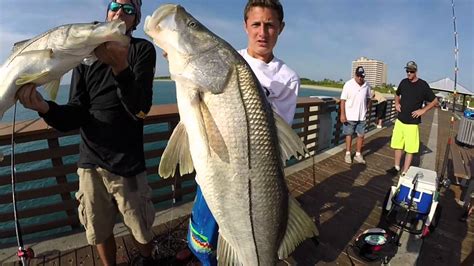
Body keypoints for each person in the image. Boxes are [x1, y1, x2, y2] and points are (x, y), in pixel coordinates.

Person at [16, 1, 158, 265]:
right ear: (106, 12)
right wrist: (44, 107)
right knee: (99, 230)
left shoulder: (141, 50)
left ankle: (147, 259)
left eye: (129, 9)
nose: (119, 12)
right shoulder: (84, 57)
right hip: (90, 163)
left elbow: (140, 109)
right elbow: (77, 111)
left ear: (135, 20)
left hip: (129, 164)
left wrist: (120, 67)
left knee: (141, 228)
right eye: (115, 5)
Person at [178, 1, 299, 265]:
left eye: (270, 25)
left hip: (252, 178)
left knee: (241, 248)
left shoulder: (288, 77)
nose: (262, 32)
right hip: (214, 174)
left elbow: (277, 139)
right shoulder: (228, 58)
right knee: (202, 244)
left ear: (281, 28)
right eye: (256, 24)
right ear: (245, 26)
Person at [386, 61, 438, 176]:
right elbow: (397, 94)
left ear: (416, 72)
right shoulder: (403, 82)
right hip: (400, 120)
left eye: (411, 71)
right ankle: (396, 167)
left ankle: (405, 171)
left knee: (410, 149)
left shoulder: (423, 85)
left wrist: (423, 110)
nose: (409, 73)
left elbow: (435, 101)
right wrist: (396, 103)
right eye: (407, 71)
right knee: (397, 145)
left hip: (412, 123)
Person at [340, 66, 372, 164]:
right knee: (349, 134)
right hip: (349, 115)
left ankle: (358, 154)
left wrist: (366, 108)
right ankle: (348, 153)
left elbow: (369, 98)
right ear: (355, 75)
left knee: (361, 135)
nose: (360, 78)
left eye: (361, 76)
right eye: (358, 76)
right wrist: (342, 114)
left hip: (362, 116)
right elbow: (343, 100)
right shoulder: (348, 84)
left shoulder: (367, 85)